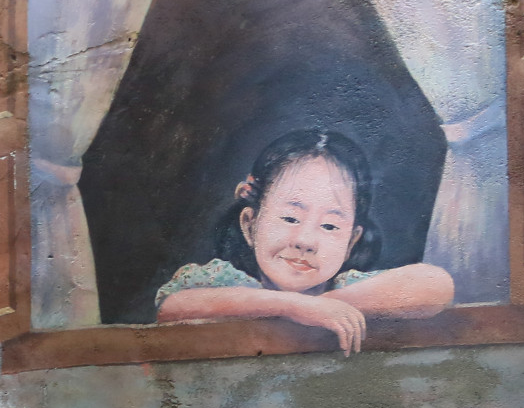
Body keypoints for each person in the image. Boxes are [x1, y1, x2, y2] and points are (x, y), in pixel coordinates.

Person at [154, 128, 455, 353]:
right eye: (289, 219)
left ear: (351, 242)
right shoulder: (224, 283)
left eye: (329, 225)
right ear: (250, 225)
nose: (306, 240)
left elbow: (435, 285)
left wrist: (324, 306)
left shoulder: (348, 290)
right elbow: (173, 308)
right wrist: (293, 307)